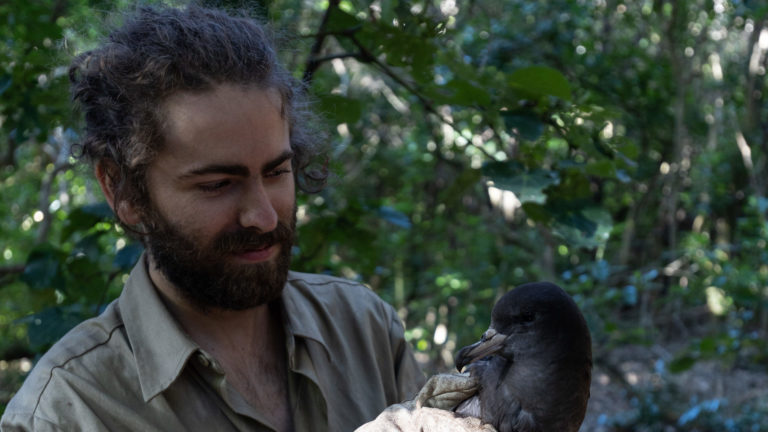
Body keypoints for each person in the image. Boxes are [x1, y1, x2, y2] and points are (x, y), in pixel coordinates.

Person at [0, 5, 427, 431]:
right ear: (123, 190)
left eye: (277, 171)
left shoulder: (365, 331)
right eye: (218, 184)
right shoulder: (65, 412)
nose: (261, 216)